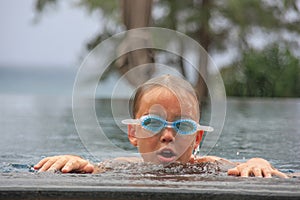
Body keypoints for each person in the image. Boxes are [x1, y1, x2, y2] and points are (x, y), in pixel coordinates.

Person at [34, 75, 288, 178]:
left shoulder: (210, 165)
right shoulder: (121, 166)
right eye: (153, 123)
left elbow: (247, 166)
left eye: (183, 126)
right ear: (133, 132)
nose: (167, 135)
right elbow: (90, 169)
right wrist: (74, 162)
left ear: (197, 138)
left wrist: (258, 162)